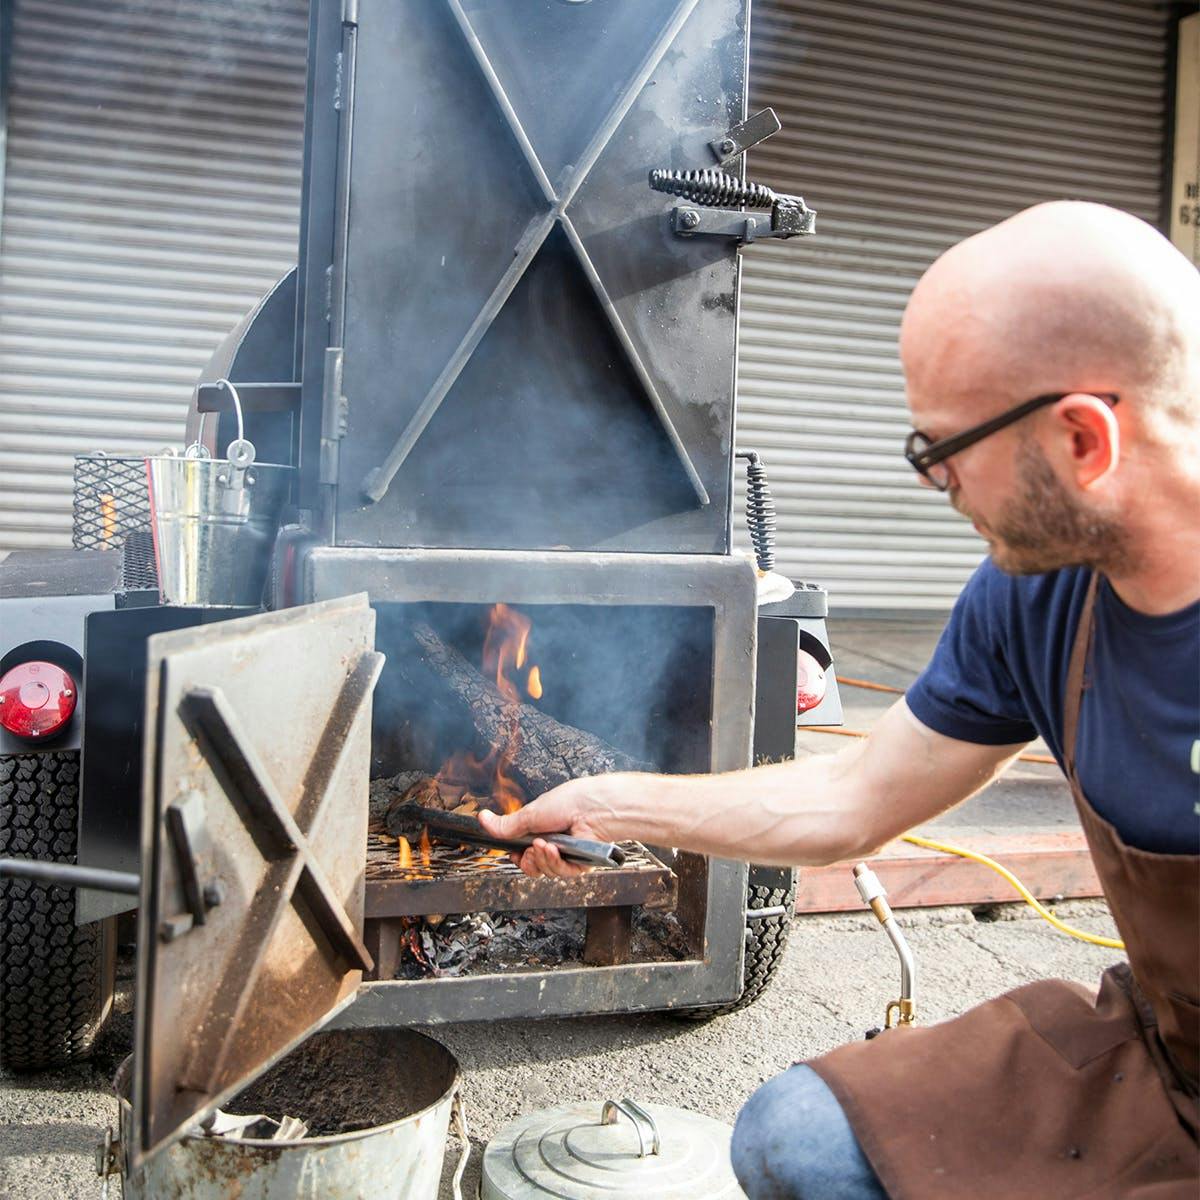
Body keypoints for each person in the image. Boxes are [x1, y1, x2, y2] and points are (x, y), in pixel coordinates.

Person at [478, 201, 1200, 1198]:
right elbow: (855, 796)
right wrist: (606, 801)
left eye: (941, 448)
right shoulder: (1038, 596)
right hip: (1169, 1060)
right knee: (798, 1136)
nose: (932, 479)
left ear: (1084, 439)